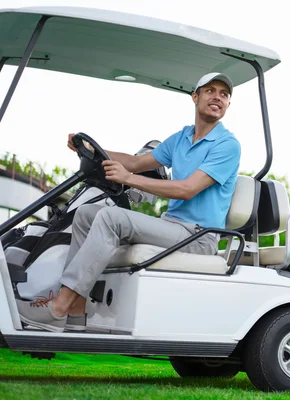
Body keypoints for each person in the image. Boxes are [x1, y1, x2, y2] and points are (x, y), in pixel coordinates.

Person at [17, 72, 241, 333]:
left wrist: (129, 179)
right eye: (210, 90)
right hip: (174, 228)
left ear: (228, 105)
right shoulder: (183, 137)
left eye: (224, 94)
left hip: (199, 237)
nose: (217, 97)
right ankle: (76, 312)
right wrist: (90, 149)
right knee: (88, 213)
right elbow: (135, 162)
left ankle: (58, 307)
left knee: (112, 218)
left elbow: (187, 189)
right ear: (195, 96)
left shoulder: (227, 145)